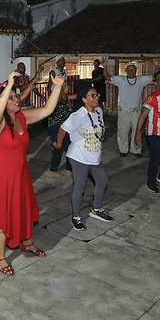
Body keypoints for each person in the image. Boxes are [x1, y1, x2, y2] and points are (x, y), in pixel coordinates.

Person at [0, 71, 66, 275]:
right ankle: (0, 257)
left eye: (17, 95)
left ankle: (27, 242)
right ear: (1, 100)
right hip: (1, 178)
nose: (17, 98)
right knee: (2, 216)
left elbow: (47, 110)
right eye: (11, 97)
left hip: (21, 174)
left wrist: (59, 86)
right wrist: (8, 85)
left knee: (24, 209)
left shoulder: (22, 116)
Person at [55, 86, 113, 230]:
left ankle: (97, 209)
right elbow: (63, 129)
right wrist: (59, 145)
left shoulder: (99, 111)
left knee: (102, 181)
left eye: (96, 95)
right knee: (80, 186)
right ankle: (76, 217)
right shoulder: (78, 115)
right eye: (92, 96)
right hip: (78, 156)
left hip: (94, 156)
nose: (96, 98)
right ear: (83, 99)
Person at [100, 57, 154, 158]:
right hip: (123, 111)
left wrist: (156, 65)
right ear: (126, 71)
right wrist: (105, 67)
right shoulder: (121, 80)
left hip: (136, 112)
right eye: (129, 70)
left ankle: (136, 150)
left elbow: (153, 77)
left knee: (136, 131)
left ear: (136, 71)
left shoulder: (141, 80)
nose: (131, 72)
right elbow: (107, 77)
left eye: (133, 70)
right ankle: (123, 150)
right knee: (123, 132)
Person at [46, 81, 76, 176]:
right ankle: (53, 170)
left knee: (69, 146)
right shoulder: (56, 99)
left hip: (64, 126)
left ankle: (69, 168)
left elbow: (76, 96)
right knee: (59, 147)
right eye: (66, 86)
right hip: (55, 126)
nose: (68, 87)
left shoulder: (66, 98)